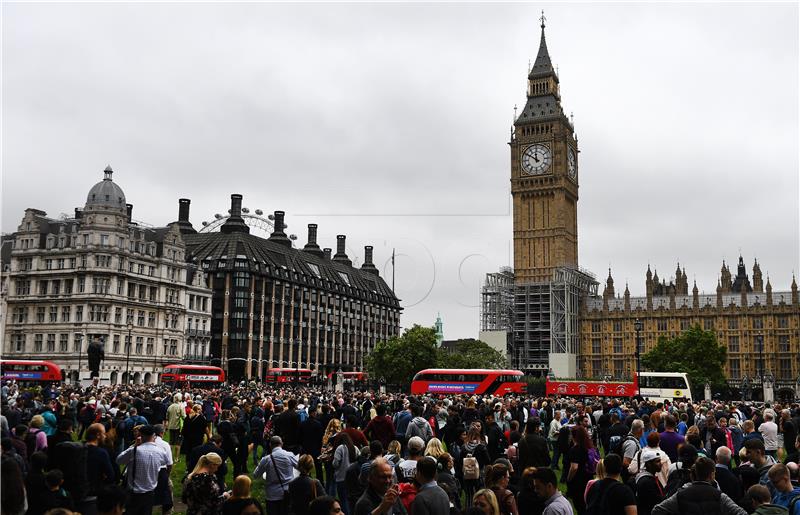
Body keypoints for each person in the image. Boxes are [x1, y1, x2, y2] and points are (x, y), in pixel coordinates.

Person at [652, 456, 747, 515]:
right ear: (712, 474)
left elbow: (657, 510)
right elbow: (741, 513)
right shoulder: (719, 496)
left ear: (694, 473)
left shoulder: (680, 495)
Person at [116, 425, 172, 515]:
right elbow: (166, 462)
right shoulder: (161, 452)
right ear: (154, 436)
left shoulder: (134, 451)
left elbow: (119, 460)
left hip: (134, 493)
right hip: (150, 492)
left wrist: (135, 445)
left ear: (141, 436)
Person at [254, 436, 299, 515]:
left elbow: (255, 475)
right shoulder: (289, 455)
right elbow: (300, 467)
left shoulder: (266, 459)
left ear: (270, 445)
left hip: (272, 495)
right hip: (288, 493)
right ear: (281, 444)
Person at [566, 425, 592, 515]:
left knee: (580, 506)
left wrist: (568, 478)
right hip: (588, 477)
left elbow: (574, 467)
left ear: (573, 436)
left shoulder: (575, 449)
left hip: (578, 481)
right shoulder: (588, 447)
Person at [636, 449, 665, 515]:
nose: (660, 463)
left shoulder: (650, 478)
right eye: (657, 461)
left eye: (660, 461)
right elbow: (655, 501)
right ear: (649, 464)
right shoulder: (646, 482)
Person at [165, 394, 185, 462]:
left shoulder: (170, 407)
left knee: (171, 442)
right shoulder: (180, 407)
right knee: (178, 443)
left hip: (171, 426)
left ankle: (169, 457)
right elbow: (183, 416)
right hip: (178, 426)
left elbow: (167, 417)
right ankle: (176, 458)